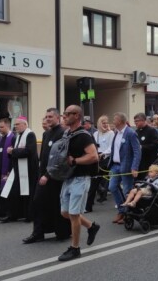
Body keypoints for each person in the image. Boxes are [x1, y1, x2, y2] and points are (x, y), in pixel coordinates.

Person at [58, 105, 100, 262]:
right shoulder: (67, 133)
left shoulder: (84, 135)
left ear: (76, 116)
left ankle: (75, 248)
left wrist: (75, 160)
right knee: (65, 212)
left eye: (67, 114)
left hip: (80, 178)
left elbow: (94, 156)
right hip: (68, 178)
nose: (64, 116)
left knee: (74, 214)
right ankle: (91, 226)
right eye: (64, 114)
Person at [23, 108, 71, 244]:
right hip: (43, 176)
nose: (48, 119)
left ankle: (63, 232)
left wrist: (48, 175)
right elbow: (43, 158)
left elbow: (59, 158)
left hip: (55, 176)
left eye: (50, 116)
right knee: (38, 203)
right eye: (46, 117)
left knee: (57, 205)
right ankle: (38, 233)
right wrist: (41, 173)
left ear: (57, 117)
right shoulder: (46, 134)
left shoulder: (63, 134)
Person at [0, 117, 38, 223]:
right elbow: (15, 152)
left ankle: (29, 215)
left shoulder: (30, 135)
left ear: (25, 124)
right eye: (15, 125)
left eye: (18, 124)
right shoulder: (18, 136)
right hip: (17, 170)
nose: (15, 127)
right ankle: (13, 215)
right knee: (13, 193)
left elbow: (29, 151)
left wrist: (13, 151)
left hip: (28, 170)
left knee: (27, 194)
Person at [108, 112, 141, 224]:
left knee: (127, 190)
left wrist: (134, 167)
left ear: (121, 121)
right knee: (112, 187)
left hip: (126, 166)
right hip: (115, 165)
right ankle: (122, 211)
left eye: (115, 119)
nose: (113, 121)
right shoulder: (116, 132)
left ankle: (127, 214)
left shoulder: (130, 133)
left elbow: (137, 151)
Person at [0, 118, 15, 218]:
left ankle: (6, 212)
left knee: (5, 191)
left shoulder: (13, 137)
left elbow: (13, 156)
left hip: (6, 170)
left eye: (2, 127)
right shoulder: (0, 138)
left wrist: (10, 170)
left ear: (8, 126)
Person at [91, 115, 114, 206]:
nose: (105, 125)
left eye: (106, 123)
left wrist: (103, 153)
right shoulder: (95, 134)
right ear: (99, 124)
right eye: (103, 123)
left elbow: (111, 147)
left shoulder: (111, 133)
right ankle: (96, 196)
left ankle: (103, 195)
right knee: (95, 179)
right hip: (96, 158)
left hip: (105, 158)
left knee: (105, 178)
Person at [134, 112, 158, 181]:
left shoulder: (152, 131)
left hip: (149, 161)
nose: (135, 123)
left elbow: (156, 144)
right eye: (134, 121)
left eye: (137, 121)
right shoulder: (136, 132)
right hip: (139, 162)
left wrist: (142, 147)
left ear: (143, 120)